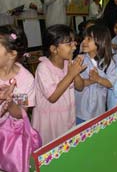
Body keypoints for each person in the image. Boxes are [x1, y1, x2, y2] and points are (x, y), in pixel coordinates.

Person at [32, 24, 86, 145]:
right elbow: (52, 97)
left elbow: (80, 87)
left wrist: (75, 72)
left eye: (73, 42)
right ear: (54, 49)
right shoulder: (43, 68)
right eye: (69, 44)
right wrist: (71, 74)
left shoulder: (68, 63)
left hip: (66, 117)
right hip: (50, 122)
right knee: (50, 150)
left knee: (65, 146)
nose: (73, 47)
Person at [0, 25, 36, 171]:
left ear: (11, 54)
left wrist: (9, 102)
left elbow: (20, 113)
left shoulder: (25, 79)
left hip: (9, 139)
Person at [75, 24, 116, 124]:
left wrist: (98, 79)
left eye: (89, 39)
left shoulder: (108, 62)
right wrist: (90, 80)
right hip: (80, 110)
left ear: (100, 41)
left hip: (99, 110)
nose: (84, 42)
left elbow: (111, 83)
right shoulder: (79, 59)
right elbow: (78, 85)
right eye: (84, 38)